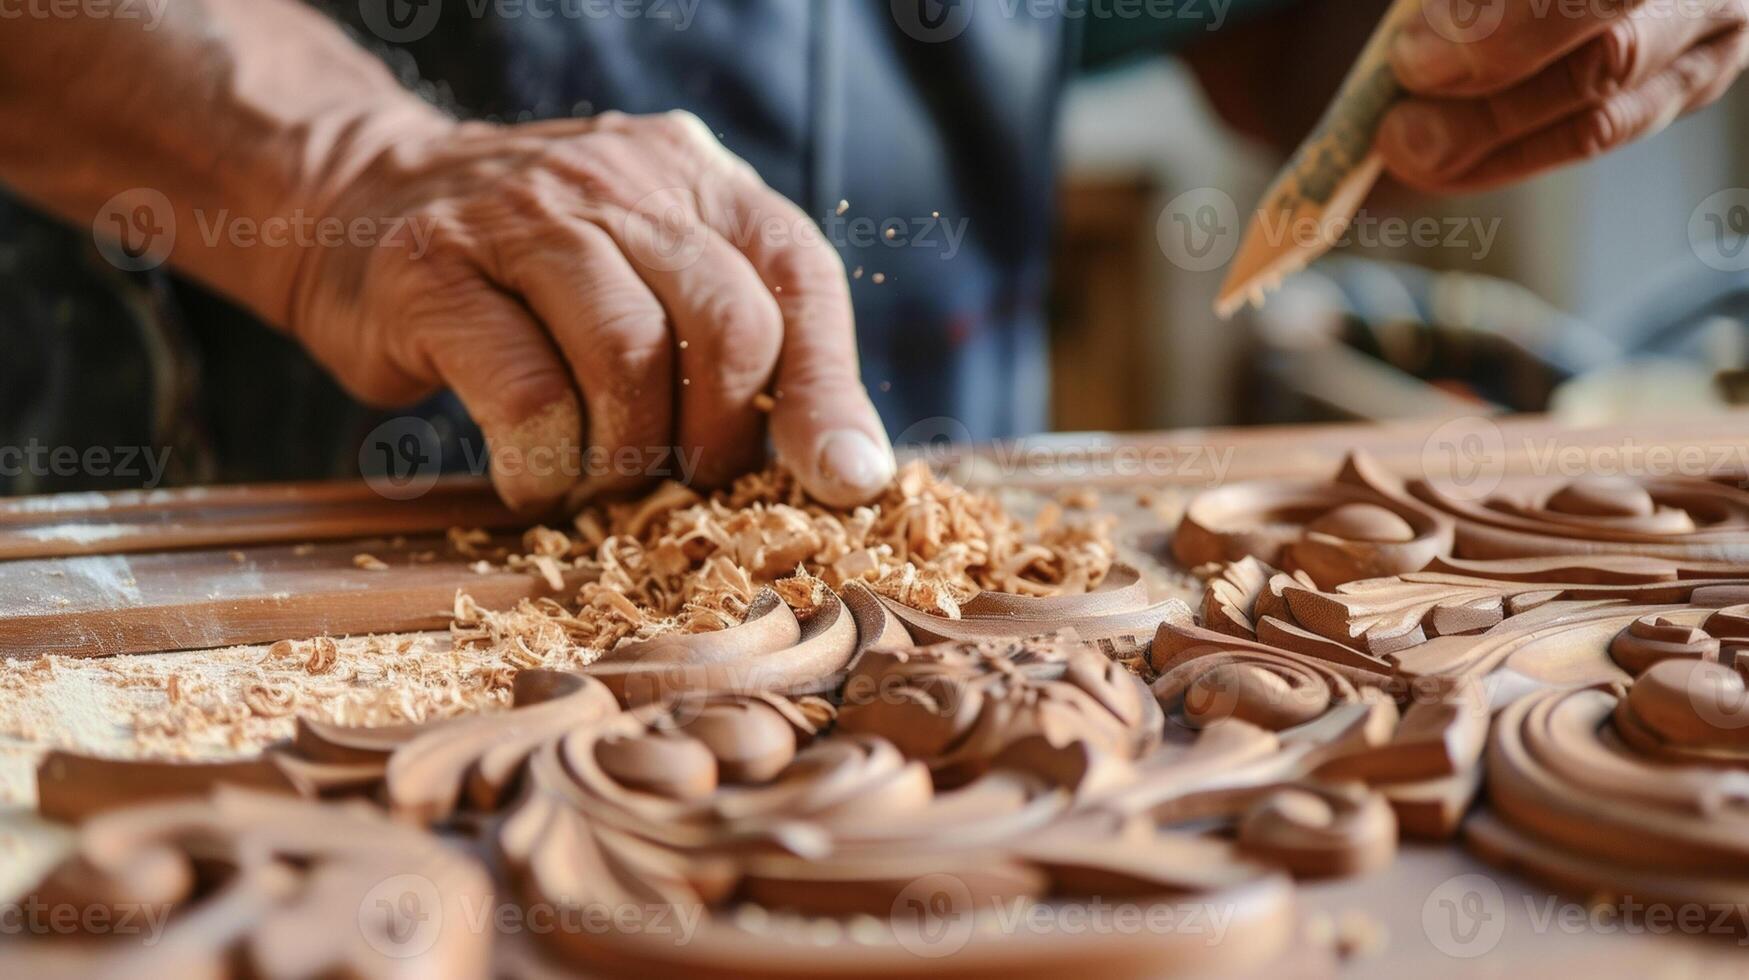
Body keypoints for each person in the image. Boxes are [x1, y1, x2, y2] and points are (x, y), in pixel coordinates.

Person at [2, 0, 1743, 509]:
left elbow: (1269, 39)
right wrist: (344, 172)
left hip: (901, 547)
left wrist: (1487, 41)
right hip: (184, 474)